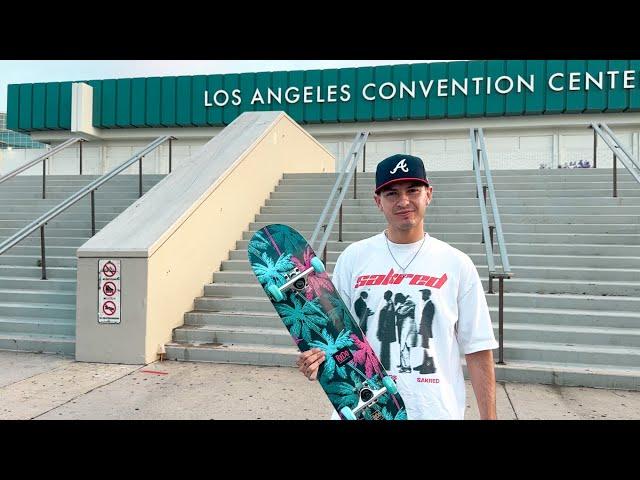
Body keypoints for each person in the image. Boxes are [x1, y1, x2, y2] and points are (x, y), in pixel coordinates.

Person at [296, 153, 498, 420]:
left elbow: (478, 348)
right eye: (392, 194)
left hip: (434, 412)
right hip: (363, 410)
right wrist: (316, 359)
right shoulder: (354, 258)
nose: (403, 201)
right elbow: (334, 333)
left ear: (428, 194)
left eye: (412, 190)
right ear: (378, 202)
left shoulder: (457, 263)